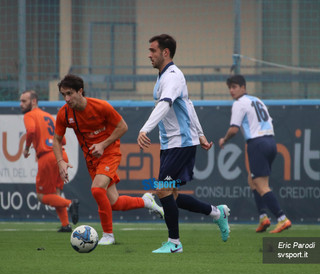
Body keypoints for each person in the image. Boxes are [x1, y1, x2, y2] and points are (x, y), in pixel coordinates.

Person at [137, 34, 230, 254]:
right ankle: (217, 213)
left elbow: (166, 104)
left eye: (153, 50)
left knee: (162, 190)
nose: (149, 55)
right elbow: (188, 105)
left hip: (180, 143)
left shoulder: (173, 76)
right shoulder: (162, 77)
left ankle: (175, 243)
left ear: (165, 52)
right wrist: (201, 134)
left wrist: (144, 128)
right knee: (172, 196)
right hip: (171, 144)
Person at [53, 74, 164, 245]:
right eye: (63, 95)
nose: (66, 99)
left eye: (69, 94)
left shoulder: (100, 107)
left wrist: (103, 144)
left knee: (97, 190)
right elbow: (57, 140)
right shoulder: (65, 113)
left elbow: (123, 127)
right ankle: (146, 201)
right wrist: (60, 161)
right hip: (92, 159)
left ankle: (108, 236)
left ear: (80, 91)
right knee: (114, 203)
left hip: (109, 152)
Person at [219, 74, 292, 233]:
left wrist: (224, 139)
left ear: (243, 88)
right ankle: (263, 218)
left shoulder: (239, 103)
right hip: (271, 142)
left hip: (257, 143)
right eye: (230, 88)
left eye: (235, 87)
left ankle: (282, 218)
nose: (232, 90)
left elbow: (234, 129)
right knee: (252, 180)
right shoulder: (257, 100)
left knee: (261, 184)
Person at [20, 90, 79, 232]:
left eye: (24, 101)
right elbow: (62, 139)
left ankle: (70, 204)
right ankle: (65, 225)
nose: (21, 104)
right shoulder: (48, 116)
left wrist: (27, 148)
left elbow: (32, 130)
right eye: (21, 101)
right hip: (61, 156)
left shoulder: (29, 115)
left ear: (34, 101)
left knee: (42, 196)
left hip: (48, 157)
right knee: (55, 193)